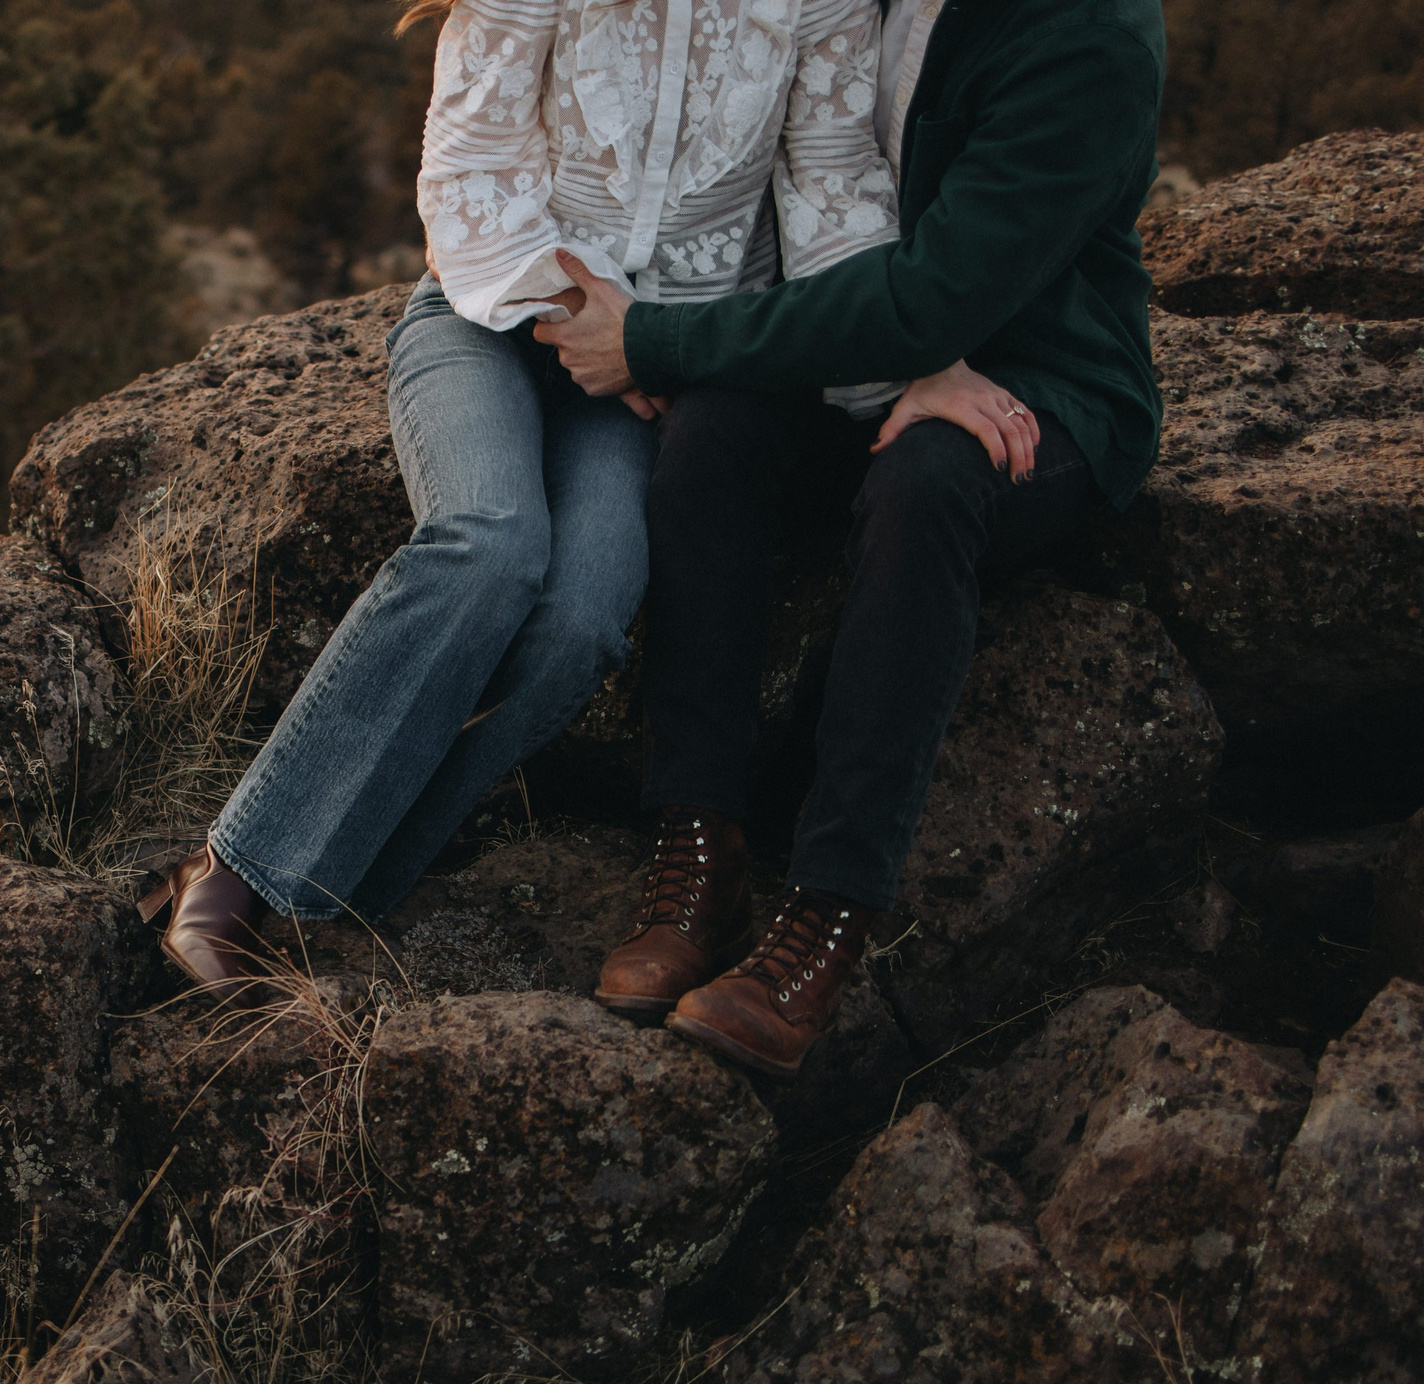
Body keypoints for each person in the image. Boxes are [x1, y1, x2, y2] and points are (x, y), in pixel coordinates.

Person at [145, 0, 909, 995]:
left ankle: (337, 898)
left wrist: (903, 370)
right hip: (490, 315)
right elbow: (470, 173)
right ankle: (235, 867)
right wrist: (596, 320)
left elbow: (833, 199)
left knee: (581, 623)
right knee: (488, 541)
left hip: (655, 371)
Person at [545, 0, 1168, 1076]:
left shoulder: (1089, 35)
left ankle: (826, 916)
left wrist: (655, 338)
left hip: (1040, 387)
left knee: (926, 483)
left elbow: (935, 296)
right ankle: (699, 841)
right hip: (862, 348)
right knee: (713, 434)